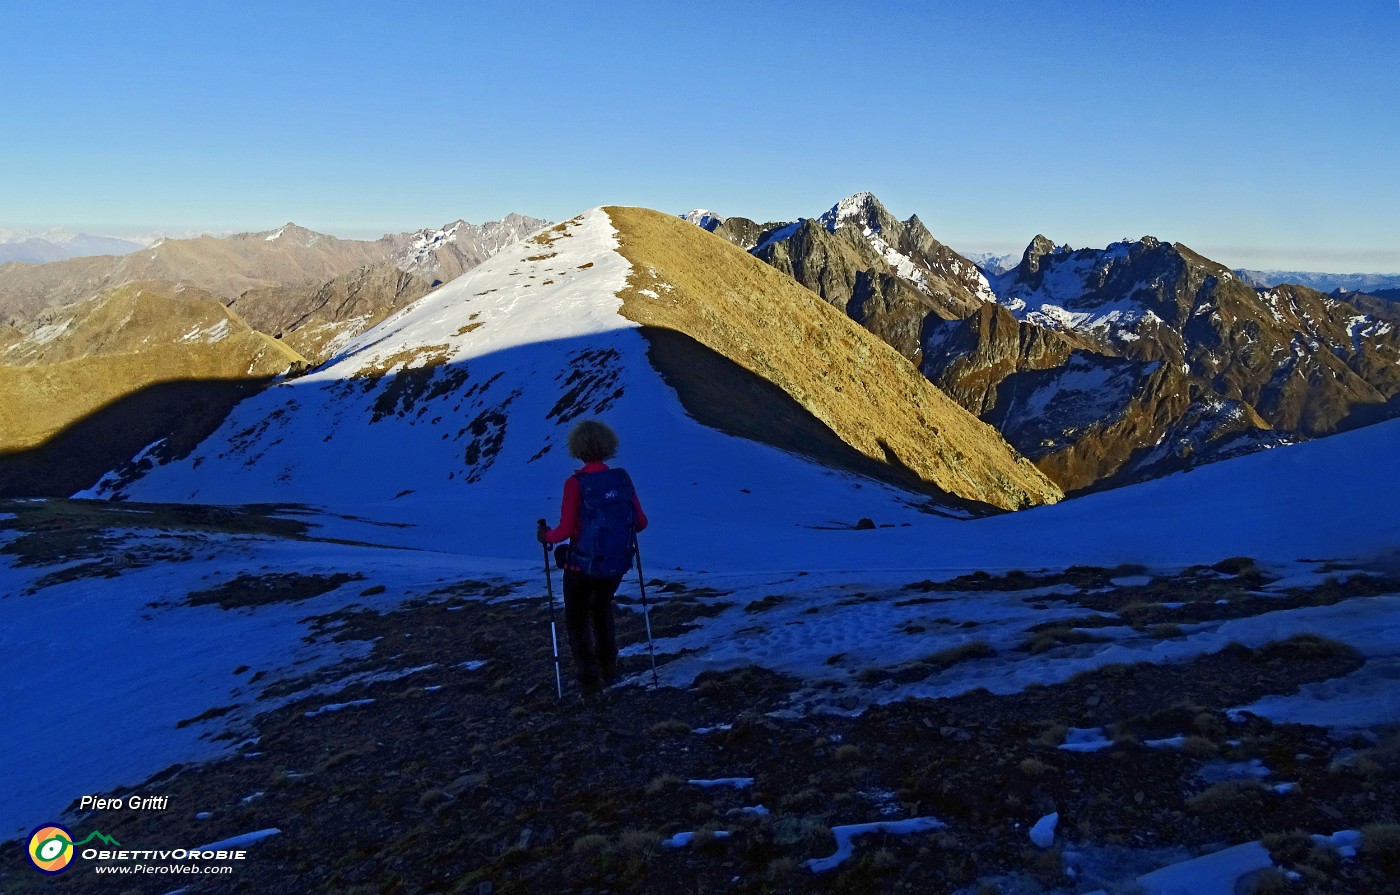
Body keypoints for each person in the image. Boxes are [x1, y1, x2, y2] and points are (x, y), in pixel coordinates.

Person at [537, 420, 648, 701]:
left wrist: (545, 536)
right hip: (615, 565)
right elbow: (641, 522)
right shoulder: (621, 479)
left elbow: (563, 531)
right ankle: (610, 671)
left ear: (578, 449)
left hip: (581, 567)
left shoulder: (576, 483)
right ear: (608, 446)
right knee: (602, 612)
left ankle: (589, 681)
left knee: (576, 621)